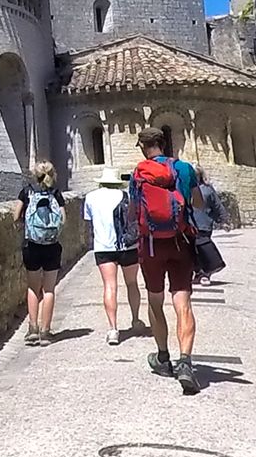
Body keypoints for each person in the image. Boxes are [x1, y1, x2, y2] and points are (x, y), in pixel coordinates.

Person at [129, 129, 201, 394]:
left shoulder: (139, 173)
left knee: (155, 301)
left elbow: (133, 210)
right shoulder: (184, 168)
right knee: (182, 302)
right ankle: (185, 363)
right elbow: (198, 203)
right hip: (180, 241)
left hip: (150, 246)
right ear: (163, 144)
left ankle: (162, 357)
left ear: (143, 147)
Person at [84, 165, 142, 344]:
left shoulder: (91, 197)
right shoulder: (128, 196)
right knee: (132, 283)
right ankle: (135, 319)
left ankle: (113, 329)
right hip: (128, 246)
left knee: (110, 286)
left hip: (103, 247)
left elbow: (89, 221)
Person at [17, 161, 64, 345]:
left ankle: (32, 329)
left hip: (32, 245)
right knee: (49, 289)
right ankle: (46, 331)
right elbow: (63, 219)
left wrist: (26, 225)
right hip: (52, 246)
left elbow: (15, 215)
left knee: (33, 288)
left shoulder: (27, 192)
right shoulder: (56, 193)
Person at [192, 167, 230, 286]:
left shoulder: (207, 189)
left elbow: (217, 206)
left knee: (204, 248)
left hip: (203, 224)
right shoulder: (187, 189)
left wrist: (224, 221)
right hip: (190, 224)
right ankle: (198, 272)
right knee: (192, 250)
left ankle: (206, 272)